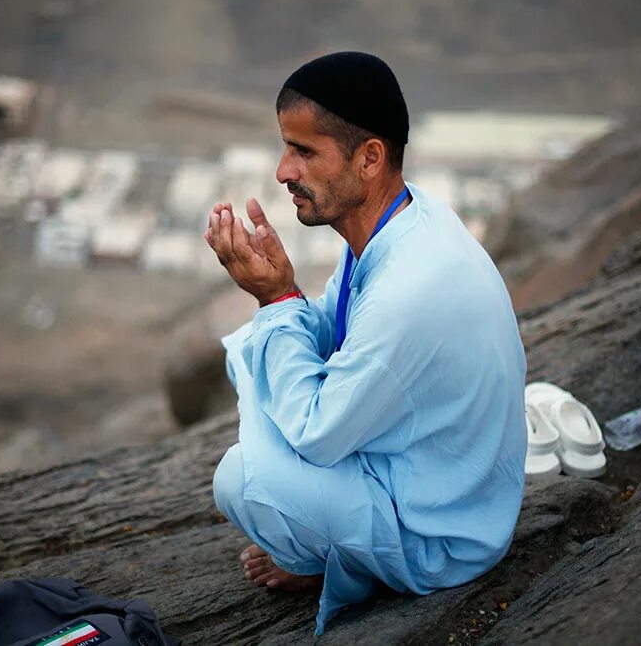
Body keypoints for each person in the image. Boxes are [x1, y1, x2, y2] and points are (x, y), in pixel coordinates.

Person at [204, 51, 526, 635]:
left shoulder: (410, 284)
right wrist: (284, 293)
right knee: (254, 365)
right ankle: (341, 552)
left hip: (445, 534)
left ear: (370, 157)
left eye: (303, 151)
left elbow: (318, 433)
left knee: (241, 477)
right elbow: (334, 332)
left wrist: (277, 302)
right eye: (286, 148)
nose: (282, 171)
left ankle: (345, 565)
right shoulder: (403, 224)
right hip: (430, 480)